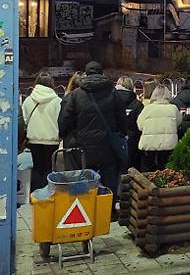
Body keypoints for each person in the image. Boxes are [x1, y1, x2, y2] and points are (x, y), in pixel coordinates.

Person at [58, 61, 127, 218]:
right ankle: (109, 212)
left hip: (82, 147)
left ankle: (82, 210)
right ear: (102, 73)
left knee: (81, 177)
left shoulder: (75, 95)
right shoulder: (113, 93)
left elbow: (64, 120)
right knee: (109, 175)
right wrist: (121, 133)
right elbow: (121, 118)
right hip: (107, 145)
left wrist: (65, 134)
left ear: (86, 73)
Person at [22, 73, 62, 190]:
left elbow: (24, 120)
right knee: (49, 168)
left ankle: (35, 195)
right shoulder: (57, 101)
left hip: (34, 140)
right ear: (51, 84)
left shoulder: (29, 100)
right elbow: (60, 120)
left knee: (37, 167)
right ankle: (47, 196)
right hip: (52, 141)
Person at [137, 85, 182, 172]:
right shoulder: (173, 108)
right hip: (168, 144)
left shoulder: (147, 108)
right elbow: (178, 123)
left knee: (147, 170)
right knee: (166, 170)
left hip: (149, 144)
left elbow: (140, 126)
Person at [114, 76, 144, 171]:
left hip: (114, 140)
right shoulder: (138, 105)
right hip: (133, 142)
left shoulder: (109, 101)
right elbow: (140, 125)